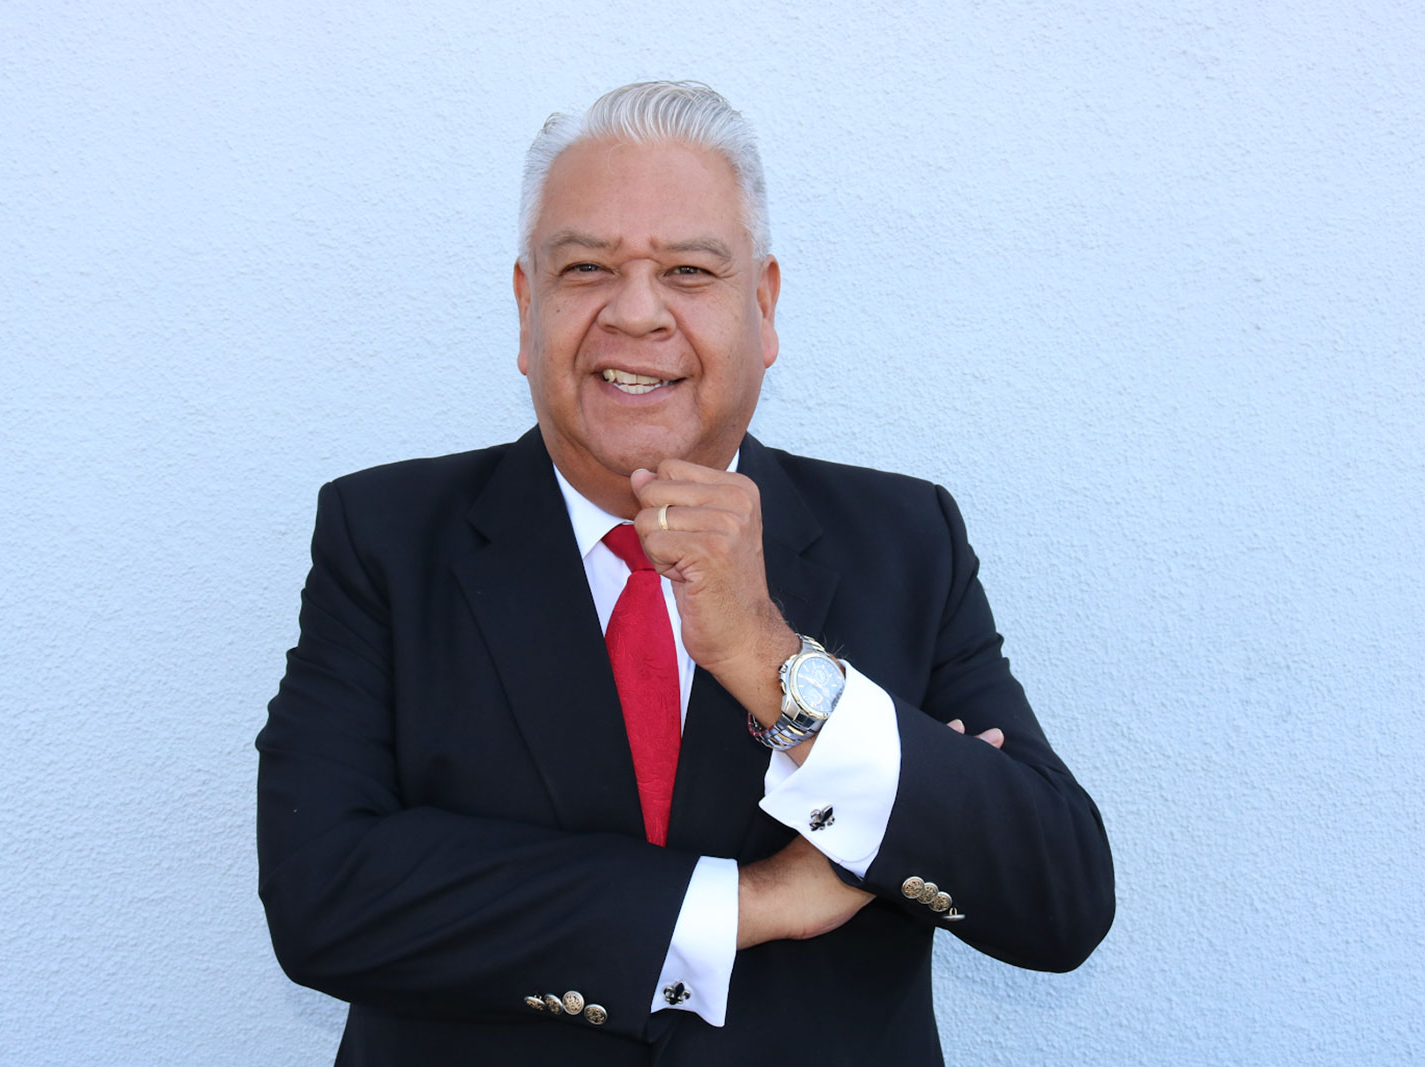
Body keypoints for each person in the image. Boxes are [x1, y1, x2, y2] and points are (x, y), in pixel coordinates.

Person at [257, 80, 1114, 1066]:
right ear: (527, 305)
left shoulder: (901, 538)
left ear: (763, 304)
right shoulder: (387, 539)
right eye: (584, 267)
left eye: (689, 270)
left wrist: (777, 664)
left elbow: (1057, 901)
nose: (635, 313)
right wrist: (747, 904)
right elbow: (325, 895)